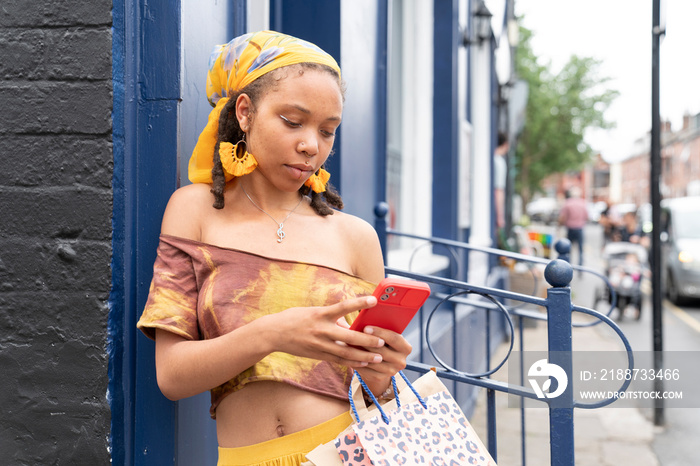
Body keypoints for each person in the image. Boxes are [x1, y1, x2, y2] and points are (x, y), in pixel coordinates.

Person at [136, 31, 411, 466]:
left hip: (346, 453)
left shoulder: (355, 237)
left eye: (327, 131)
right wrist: (274, 334)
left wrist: (383, 377)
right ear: (244, 112)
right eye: (292, 121)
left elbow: (375, 395)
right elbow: (171, 376)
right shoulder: (195, 210)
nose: (311, 146)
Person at [558, 186, 589, 266]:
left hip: (570, 228)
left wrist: (559, 226)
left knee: (568, 250)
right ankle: (580, 268)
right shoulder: (583, 203)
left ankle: (568, 267)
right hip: (579, 228)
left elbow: (562, 218)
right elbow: (587, 217)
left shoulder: (567, 203)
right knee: (580, 250)